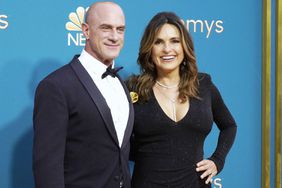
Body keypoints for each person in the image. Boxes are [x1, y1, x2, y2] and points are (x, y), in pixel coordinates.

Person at [127, 12, 237, 188]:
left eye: (174, 41)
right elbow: (116, 141)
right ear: (149, 48)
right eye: (158, 42)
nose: (167, 49)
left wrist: (217, 160)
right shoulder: (133, 89)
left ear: (184, 46)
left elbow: (229, 126)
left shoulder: (203, 84)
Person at [33, 2, 134, 188]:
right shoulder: (56, 86)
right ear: (86, 31)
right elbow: (48, 168)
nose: (114, 37)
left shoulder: (121, 83)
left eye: (120, 30)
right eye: (106, 28)